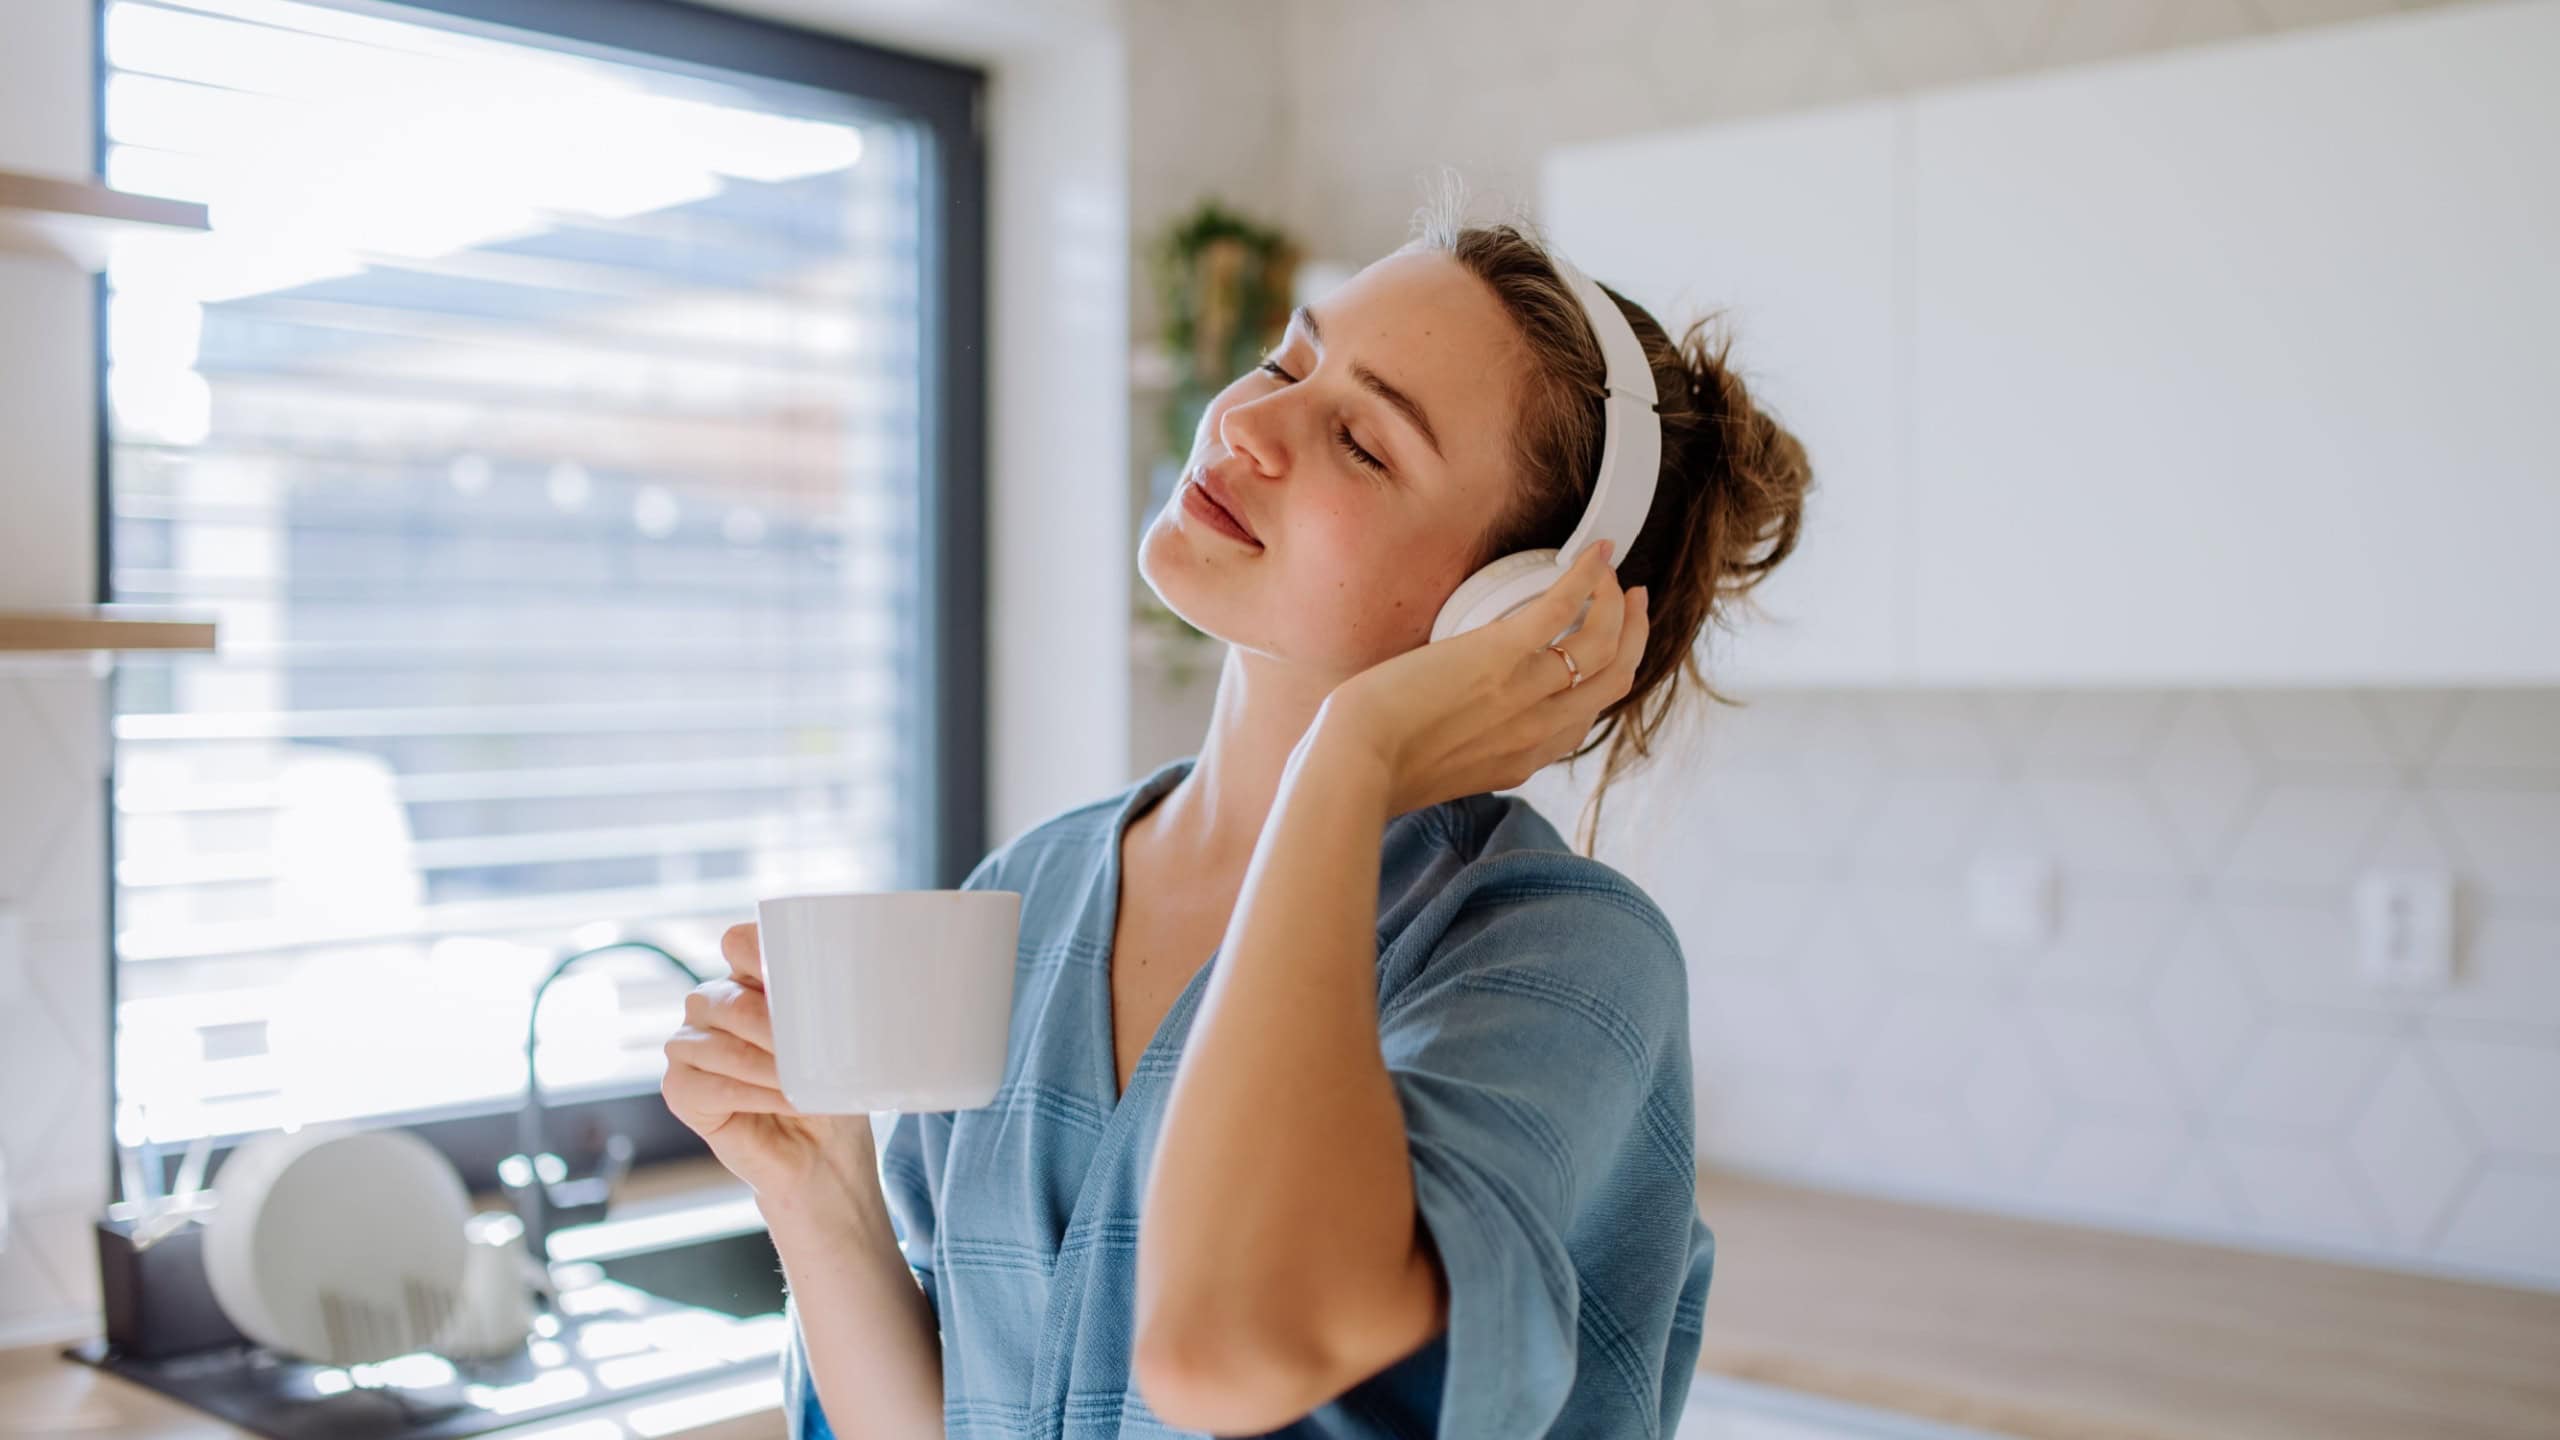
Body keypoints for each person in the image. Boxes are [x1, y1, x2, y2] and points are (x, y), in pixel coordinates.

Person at [662, 192, 1814, 1439]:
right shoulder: (1027, 893)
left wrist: (1352, 757)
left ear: (1512, 604)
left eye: (1365, 443)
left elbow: (1235, 1351)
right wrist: (817, 1190)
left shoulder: (1551, 956)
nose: (1249, 422)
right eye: (1286, 359)